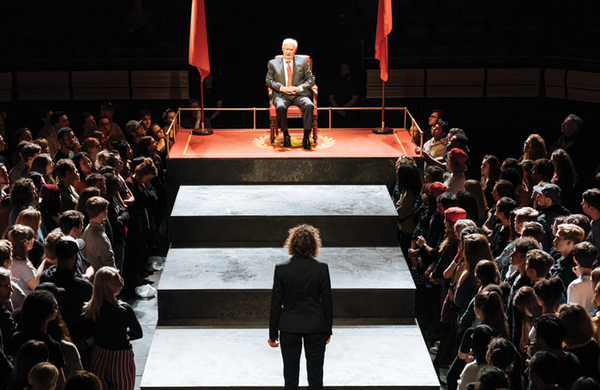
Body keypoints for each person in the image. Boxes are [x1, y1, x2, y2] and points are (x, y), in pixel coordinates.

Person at [268, 224, 333, 390]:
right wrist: (328, 329)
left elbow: (276, 303)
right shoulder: (321, 268)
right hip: (316, 327)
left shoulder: (281, 269)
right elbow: (327, 301)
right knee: (316, 376)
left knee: (290, 376)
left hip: (289, 328)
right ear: (314, 245)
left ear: (291, 244)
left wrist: (273, 333)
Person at [83, 266, 142, 390]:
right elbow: (137, 333)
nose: (122, 283)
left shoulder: (90, 309)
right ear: (107, 287)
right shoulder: (124, 309)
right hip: (121, 357)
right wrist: (123, 335)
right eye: (118, 281)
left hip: (99, 355)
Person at [266, 38, 316, 150]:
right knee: (280, 106)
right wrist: (282, 88)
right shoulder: (272, 63)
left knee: (309, 105)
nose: (288, 52)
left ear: (295, 50)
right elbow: (268, 81)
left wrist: (299, 88)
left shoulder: (302, 62)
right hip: (281, 94)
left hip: (299, 94)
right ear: (282, 48)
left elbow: (311, 79)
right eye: (286, 49)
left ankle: (306, 137)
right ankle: (285, 134)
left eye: (291, 50)